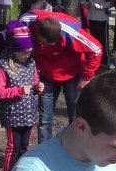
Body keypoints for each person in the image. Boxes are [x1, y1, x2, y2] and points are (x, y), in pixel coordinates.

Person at [15, 10, 102, 143]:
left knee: (75, 115)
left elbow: (96, 49)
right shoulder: (26, 23)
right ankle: (44, 151)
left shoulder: (70, 33)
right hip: (46, 74)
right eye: (46, 43)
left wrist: (86, 77)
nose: (49, 47)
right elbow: (14, 41)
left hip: (72, 73)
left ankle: (75, 148)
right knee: (44, 118)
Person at [0, 26, 44, 171]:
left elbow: (34, 84)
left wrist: (38, 88)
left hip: (29, 113)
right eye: (23, 52)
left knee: (25, 147)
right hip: (12, 114)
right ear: (15, 49)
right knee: (13, 147)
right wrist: (19, 91)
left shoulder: (31, 64)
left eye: (29, 51)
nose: (27, 55)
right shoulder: (4, 67)